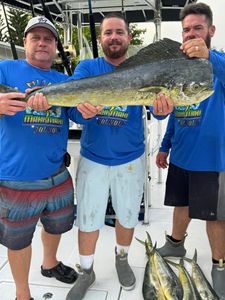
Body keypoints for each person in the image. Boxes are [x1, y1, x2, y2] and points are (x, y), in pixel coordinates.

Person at [66, 12, 174, 300]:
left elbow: (158, 109)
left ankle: (122, 259)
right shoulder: (88, 67)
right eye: (108, 33)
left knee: (127, 216)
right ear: (101, 39)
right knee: (88, 219)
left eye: (119, 32)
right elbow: (74, 109)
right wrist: (81, 112)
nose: (113, 37)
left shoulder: (145, 68)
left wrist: (163, 108)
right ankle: (86, 271)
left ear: (128, 37)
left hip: (131, 159)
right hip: (93, 158)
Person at [0, 16, 100, 300]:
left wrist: (90, 110)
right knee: (18, 240)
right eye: (36, 37)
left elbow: (78, 114)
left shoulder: (64, 80)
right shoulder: (5, 69)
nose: (42, 42)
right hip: (15, 176)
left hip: (57, 173)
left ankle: (50, 263)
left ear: (55, 45)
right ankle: (22, 293)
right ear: (25, 42)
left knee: (55, 225)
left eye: (48, 38)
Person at [155, 3, 225, 299]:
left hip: (212, 161)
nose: (191, 34)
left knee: (215, 217)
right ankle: (175, 243)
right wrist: (163, 145)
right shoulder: (177, 67)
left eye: (198, 28)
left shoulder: (219, 64)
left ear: (211, 30)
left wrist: (209, 55)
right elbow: (169, 114)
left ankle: (219, 265)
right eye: (186, 29)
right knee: (180, 205)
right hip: (181, 156)